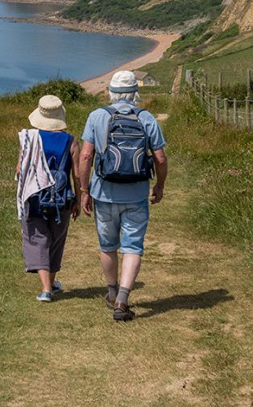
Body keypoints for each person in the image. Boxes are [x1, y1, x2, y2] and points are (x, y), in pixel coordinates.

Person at [78, 70, 167, 321]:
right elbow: (159, 158)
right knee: (132, 247)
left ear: (110, 92)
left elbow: (85, 156)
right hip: (137, 193)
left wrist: (84, 190)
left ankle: (111, 291)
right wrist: (159, 186)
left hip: (104, 193)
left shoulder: (97, 116)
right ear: (135, 93)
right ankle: (123, 299)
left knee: (108, 246)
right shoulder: (146, 118)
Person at [16, 94, 82, 302]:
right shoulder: (70, 141)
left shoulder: (29, 138)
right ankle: (51, 283)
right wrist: (78, 199)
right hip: (61, 198)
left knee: (37, 238)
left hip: (34, 197)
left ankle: (46, 288)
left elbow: (19, 170)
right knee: (56, 239)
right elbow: (77, 175)